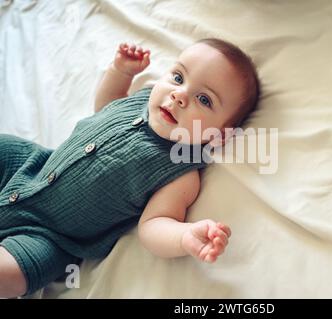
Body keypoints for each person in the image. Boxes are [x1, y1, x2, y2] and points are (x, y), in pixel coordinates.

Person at [0, 38, 260, 298]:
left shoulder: (180, 172)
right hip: (29, 166)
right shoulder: (142, 99)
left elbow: (154, 225)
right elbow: (105, 107)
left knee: (10, 275)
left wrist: (185, 236)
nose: (179, 95)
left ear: (219, 136)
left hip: (52, 237)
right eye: (179, 78)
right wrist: (120, 72)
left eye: (204, 99)